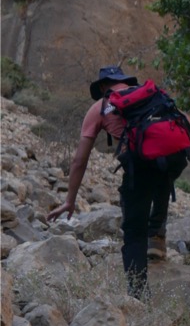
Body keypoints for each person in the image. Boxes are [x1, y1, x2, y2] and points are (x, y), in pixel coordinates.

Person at [47, 65, 172, 296]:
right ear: (124, 81)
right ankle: (157, 234)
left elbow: (79, 160)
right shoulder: (152, 94)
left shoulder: (100, 107)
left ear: (103, 86)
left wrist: (70, 200)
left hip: (140, 166)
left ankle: (138, 297)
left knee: (134, 231)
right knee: (163, 176)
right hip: (174, 156)